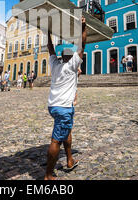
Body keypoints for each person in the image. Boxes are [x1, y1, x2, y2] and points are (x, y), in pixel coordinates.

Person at [44, 17, 86, 180]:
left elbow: (50, 48)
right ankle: (48, 174)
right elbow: (82, 45)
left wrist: (47, 32)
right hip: (63, 108)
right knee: (56, 141)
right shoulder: (71, 66)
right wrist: (83, 27)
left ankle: (69, 160)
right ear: (72, 58)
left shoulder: (55, 64)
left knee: (67, 131)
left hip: (53, 106)